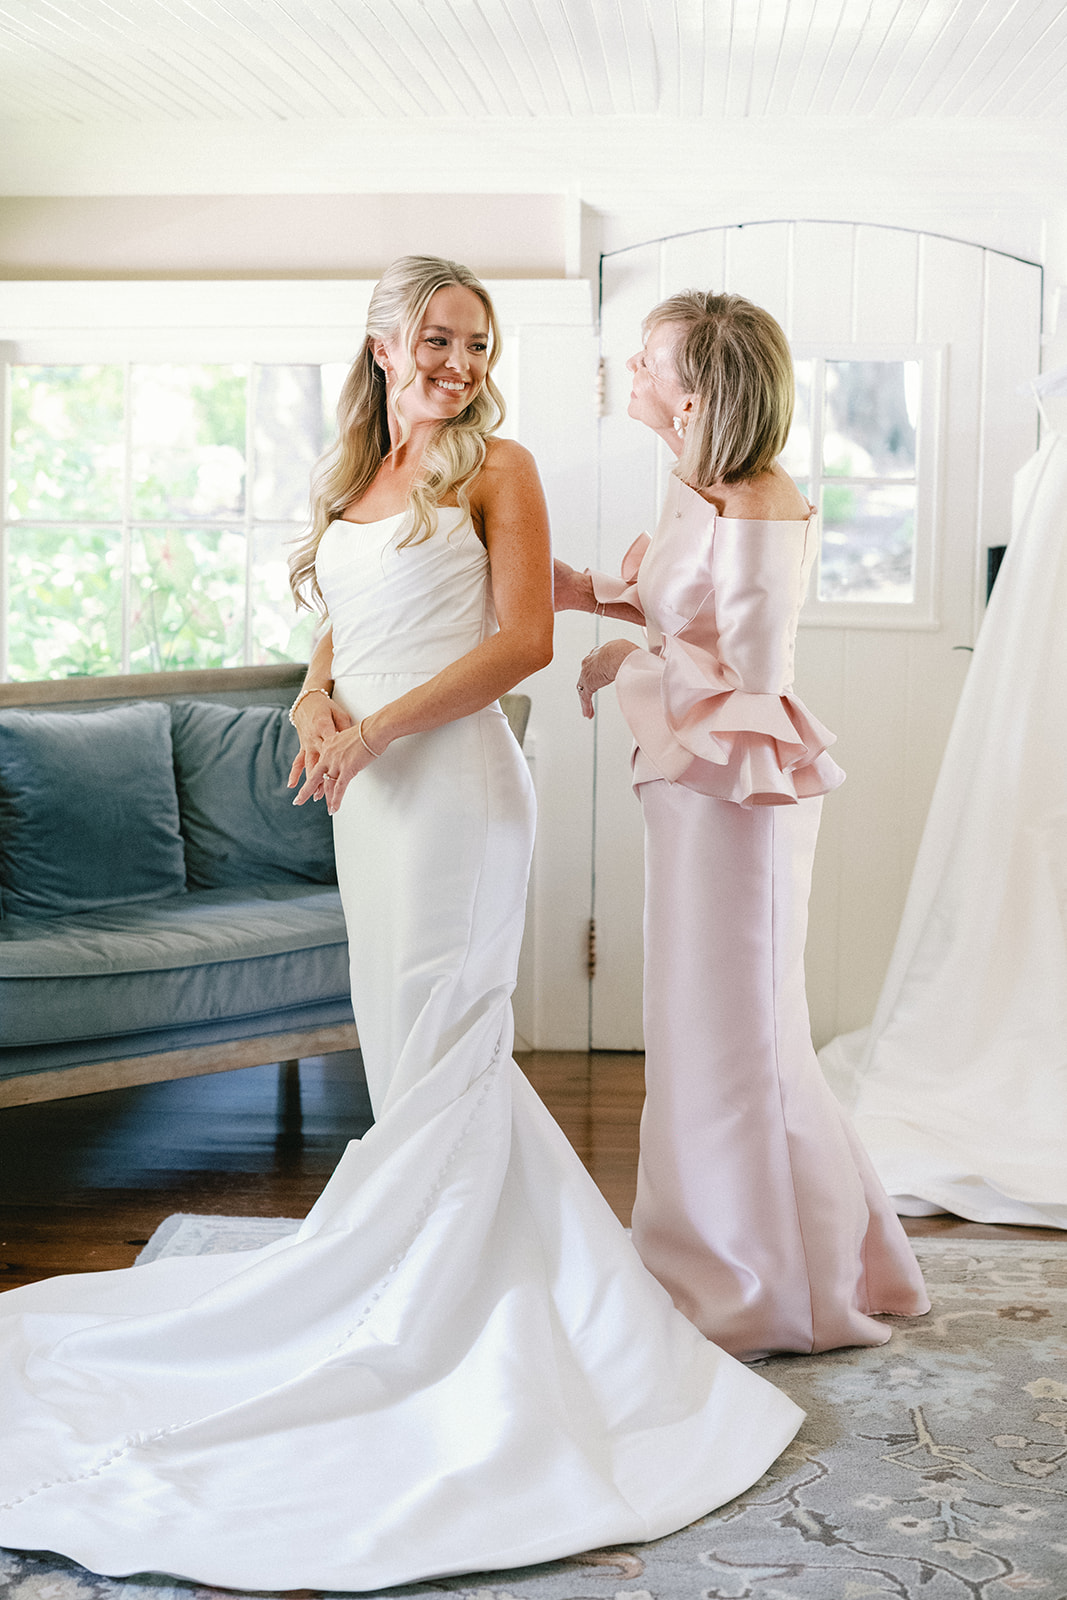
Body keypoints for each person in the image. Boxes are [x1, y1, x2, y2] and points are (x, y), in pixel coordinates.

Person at [0, 260, 804, 1594]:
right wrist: (314, 703)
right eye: (436, 338)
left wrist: (373, 728)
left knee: (448, 1055)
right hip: (365, 801)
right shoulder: (353, 479)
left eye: (476, 344)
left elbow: (522, 641)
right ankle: (435, 1276)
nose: (458, 363)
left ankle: (453, 1314)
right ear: (382, 345)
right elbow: (339, 619)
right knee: (409, 1061)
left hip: (454, 798)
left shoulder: (500, 468)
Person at [554, 290, 931, 1362]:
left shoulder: (759, 501)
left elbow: (749, 680)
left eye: (646, 359)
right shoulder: (695, 486)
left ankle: (778, 1290)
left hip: (740, 796)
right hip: (691, 787)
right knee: (694, 1032)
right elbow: (691, 613)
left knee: (740, 1040)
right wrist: (587, 595)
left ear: (693, 395)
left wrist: (623, 660)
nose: (630, 372)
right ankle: (715, 1261)